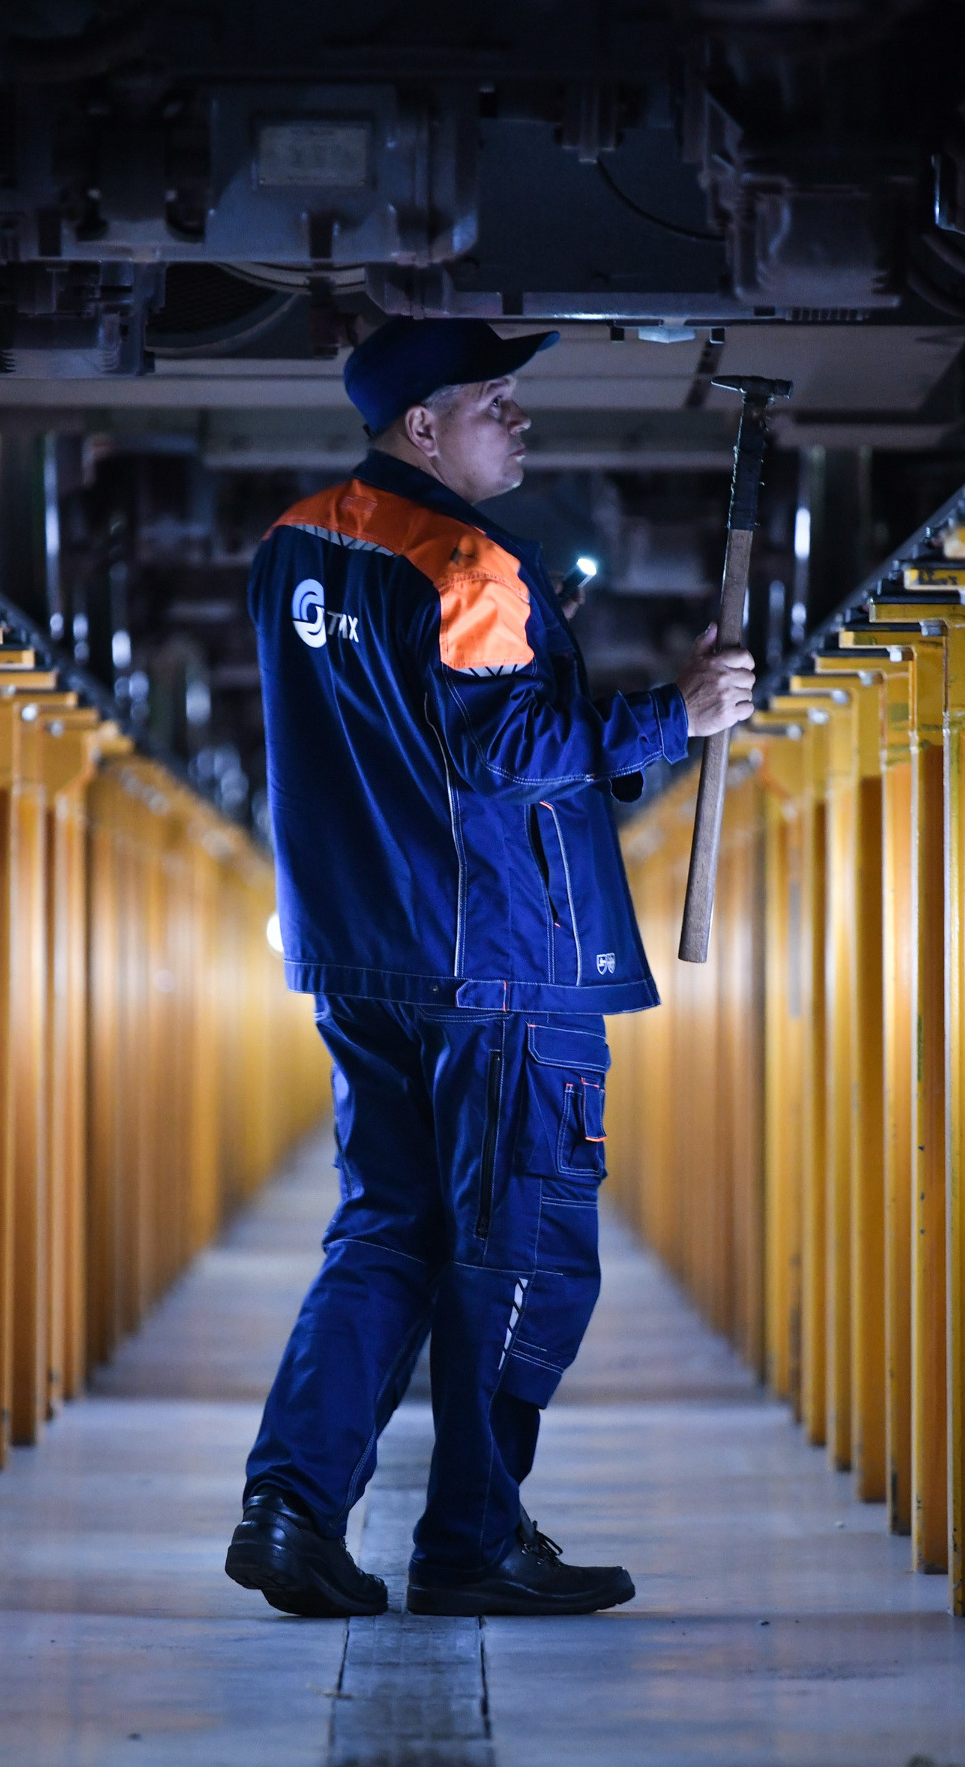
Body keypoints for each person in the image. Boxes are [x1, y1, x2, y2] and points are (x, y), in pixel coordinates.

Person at [224, 317, 757, 1617]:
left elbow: (419, 749)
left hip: (364, 955)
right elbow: (505, 754)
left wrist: (614, 727)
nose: (519, 420)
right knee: (517, 1248)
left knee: (388, 1228)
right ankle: (472, 1536)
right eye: (494, 401)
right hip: (499, 962)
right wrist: (676, 717)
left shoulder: (293, 547)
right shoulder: (466, 560)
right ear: (423, 426)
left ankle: (292, 1507)